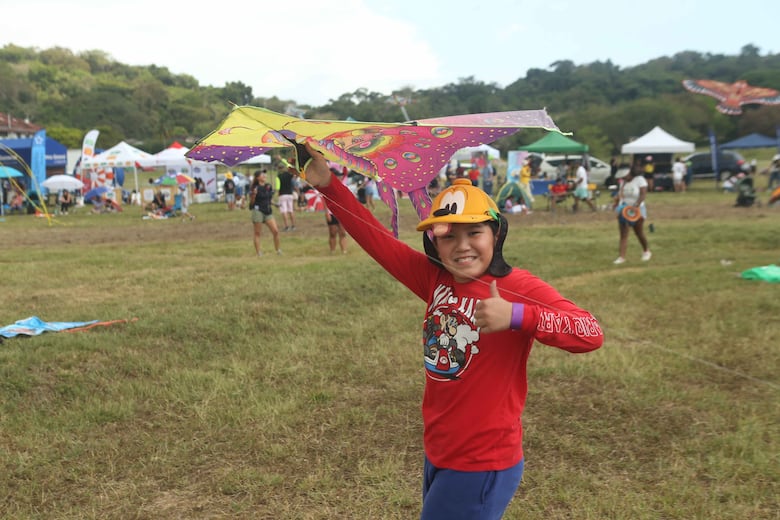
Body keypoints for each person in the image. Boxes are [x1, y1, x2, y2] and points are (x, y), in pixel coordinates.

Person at [301, 143, 603, 519]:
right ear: (434, 242)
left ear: (496, 234)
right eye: (448, 236)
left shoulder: (518, 287)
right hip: (440, 451)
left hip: (481, 461)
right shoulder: (436, 279)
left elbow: (590, 332)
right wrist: (328, 184)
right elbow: (376, 240)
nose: (462, 247)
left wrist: (517, 315)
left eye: (474, 232)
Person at [613, 165, 651, 264]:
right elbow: (621, 196)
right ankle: (621, 257)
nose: (623, 177)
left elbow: (643, 194)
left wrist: (636, 206)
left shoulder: (640, 180)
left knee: (638, 232)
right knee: (623, 233)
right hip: (625, 209)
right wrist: (617, 206)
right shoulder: (623, 183)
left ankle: (646, 251)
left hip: (638, 209)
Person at [248, 170, 281, 256]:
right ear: (258, 178)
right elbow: (251, 203)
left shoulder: (268, 186)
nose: (264, 176)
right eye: (262, 175)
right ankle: (259, 252)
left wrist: (275, 204)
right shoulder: (254, 188)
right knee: (257, 233)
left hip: (267, 211)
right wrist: (253, 195)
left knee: (276, 231)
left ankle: (278, 250)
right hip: (258, 211)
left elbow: (268, 199)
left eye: (264, 174)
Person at [276, 165, 298, 231]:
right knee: (291, 210)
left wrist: (278, 194)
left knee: (284, 211)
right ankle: (293, 226)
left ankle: (287, 226)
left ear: (279, 169)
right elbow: (295, 175)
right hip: (290, 194)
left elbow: (278, 187)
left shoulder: (278, 176)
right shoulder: (289, 175)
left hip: (282, 194)